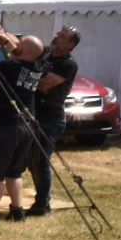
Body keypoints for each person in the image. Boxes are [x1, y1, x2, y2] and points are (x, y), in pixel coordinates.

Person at [0, 25, 46, 223]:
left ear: (27, 50)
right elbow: (17, 49)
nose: (16, 42)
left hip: (8, 126)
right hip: (27, 126)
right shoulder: (36, 66)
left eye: (21, 42)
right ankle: (17, 211)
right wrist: (2, 33)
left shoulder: (10, 66)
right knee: (14, 171)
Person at [27, 25, 81, 216]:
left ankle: (42, 204)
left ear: (70, 45)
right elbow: (21, 48)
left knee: (41, 161)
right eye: (58, 34)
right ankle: (42, 199)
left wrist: (21, 74)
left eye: (62, 37)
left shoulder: (68, 64)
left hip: (51, 118)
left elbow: (44, 85)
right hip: (35, 115)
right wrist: (2, 35)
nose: (57, 37)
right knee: (30, 161)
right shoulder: (46, 54)